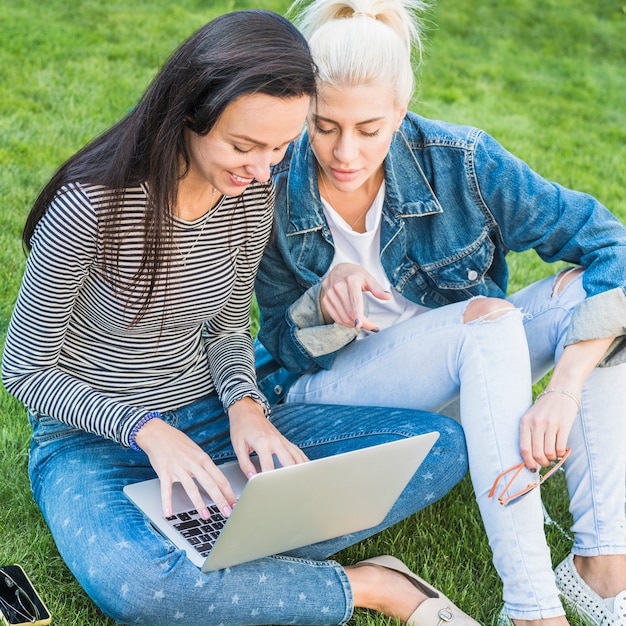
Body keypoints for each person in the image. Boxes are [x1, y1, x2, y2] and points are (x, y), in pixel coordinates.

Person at [0, 9, 477, 626]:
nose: (263, 170)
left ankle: (215, 556)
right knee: (146, 591)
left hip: (213, 418)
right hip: (93, 444)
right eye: (244, 146)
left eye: (281, 147)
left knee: (436, 448)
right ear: (189, 114)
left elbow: (225, 327)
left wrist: (245, 410)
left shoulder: (250, 192)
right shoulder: (93, 208)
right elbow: (25, 372)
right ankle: (372, 585)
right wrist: (149, 430)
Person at [253, 1, 626, 625]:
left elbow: (610, 247)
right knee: (490, 319)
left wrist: (562, 389)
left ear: (402, 110)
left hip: (472, 368)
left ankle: (603, 569)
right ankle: (534, 609)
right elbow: (275, 354)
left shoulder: (462, 160)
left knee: (595, 305)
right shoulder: (273, 180)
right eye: (324, 126)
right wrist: (322, 302)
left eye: (369, 129)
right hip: (338, 394)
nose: (344, 151)